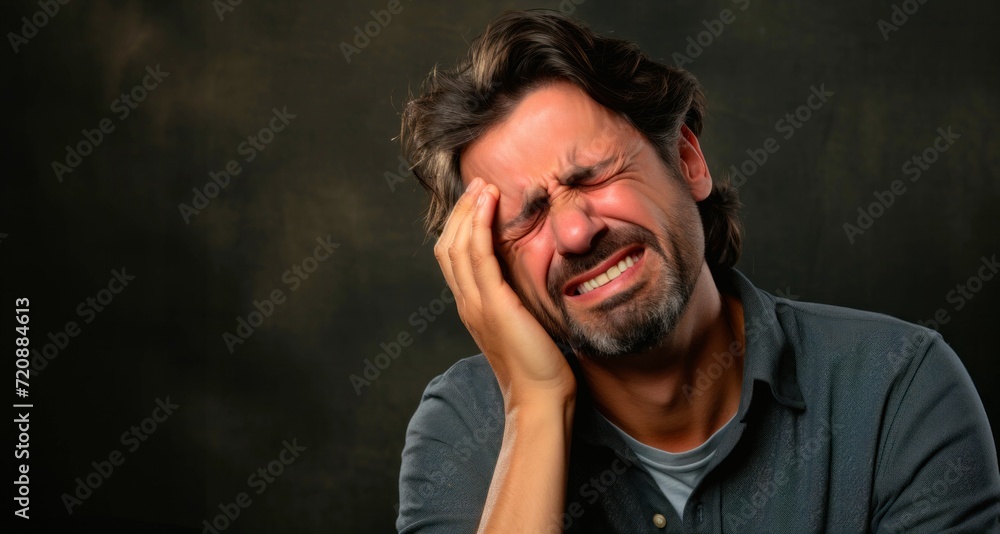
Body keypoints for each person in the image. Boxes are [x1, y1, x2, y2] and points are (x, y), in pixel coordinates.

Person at [395, 9, 1000, 533]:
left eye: (594, 176)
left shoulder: (899, 388)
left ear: (686, 161)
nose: (577, 233)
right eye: (526, 219)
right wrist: (535, 404)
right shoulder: (463, 429)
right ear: (488, 271)